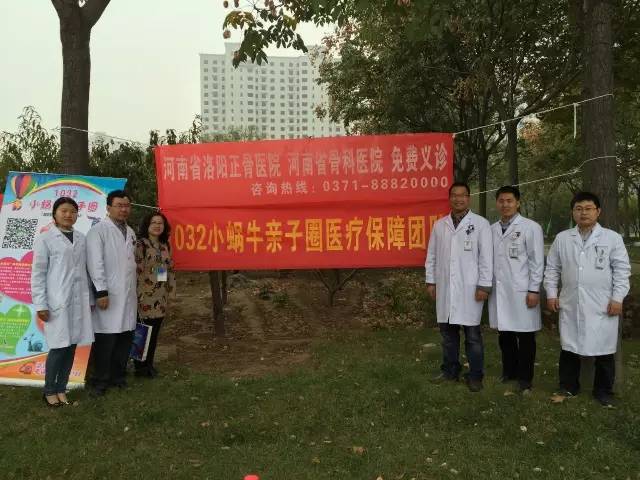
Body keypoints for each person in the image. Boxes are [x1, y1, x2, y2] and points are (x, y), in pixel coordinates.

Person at [544, 191, 631, 406]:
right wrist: (552, 294)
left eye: (588, 208)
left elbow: (622, 271)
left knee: (604, 349)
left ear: (598, 211)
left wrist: (618, 298)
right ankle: (568, 386)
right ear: (573, 212)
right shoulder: (563, 238)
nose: (584, 213)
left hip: (603, 303)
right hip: (571, 301)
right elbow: (552, 269)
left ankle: (603, 391)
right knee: (569, 347)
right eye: (579, 209)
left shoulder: (612, 238)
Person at [425, 182, 493, 392]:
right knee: (448, 335)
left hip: (470, 289)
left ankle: (475, 375)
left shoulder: (481, 224)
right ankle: (450, 371)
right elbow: (432, 256)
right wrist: (431, 281)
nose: (458, 199)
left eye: (462, 195)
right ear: (450, 198)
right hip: (446, 288)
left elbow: (486, 258)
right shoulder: (440, 225)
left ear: (468, 198)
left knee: (472, 336)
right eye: (454, 195)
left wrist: (484, 285)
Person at [31, 197, 94, 407]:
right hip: (57, 301)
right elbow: (38, 274)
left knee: (71, 346)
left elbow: (85, 271)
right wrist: (41, 304)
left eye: (73, 211)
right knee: (58, 348)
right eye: (64, 211)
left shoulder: (81, 238)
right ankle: (49, 390)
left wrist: (89, 298)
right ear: (55, 214)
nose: (68, 215)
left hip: (78, 301)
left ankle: (61, 388)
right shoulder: (46, 238)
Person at [488, 186, 544, 393]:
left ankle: (525, 378)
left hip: (523, 290)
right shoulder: (492, 229)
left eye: (509, 201)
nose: (505, 204)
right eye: (501, 201)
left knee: (526, 336)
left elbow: (537, 261)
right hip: (500, 290)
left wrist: (534, 290)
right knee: (505, 334)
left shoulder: (531, 227)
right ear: (497, 203)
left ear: (518, 203)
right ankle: (509, 371)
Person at [86, 190, 137, 396]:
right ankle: (100, 380)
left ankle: (118, 376)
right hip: (108, 294)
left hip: (128, 294)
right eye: (119, 205)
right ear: (108, 208)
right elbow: (94, 263)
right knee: (106, 340)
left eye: (127, 206)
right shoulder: (98, 231)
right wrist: (101, 292)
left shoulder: (130, 231)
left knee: (125, 337)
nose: (124, 209)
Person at [134, 212, 175, 378]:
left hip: (160, 296)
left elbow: (163, 270)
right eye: (154, 223)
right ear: (147, 225)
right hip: (144, 297)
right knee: (143, 331)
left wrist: (168, 290)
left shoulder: (165, 246)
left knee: (155, 332)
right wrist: (138, 295)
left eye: (160, 223)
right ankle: (140, 368)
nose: (157, 226)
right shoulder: (140, 245)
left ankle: (149, 364)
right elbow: (136, 272)